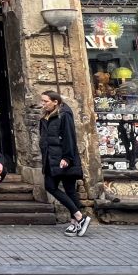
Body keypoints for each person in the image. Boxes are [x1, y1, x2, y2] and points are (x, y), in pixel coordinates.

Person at [39, 90, 91, 237]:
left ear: (55, 102)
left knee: (56, 187)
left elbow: (69, 136)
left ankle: (79, 218)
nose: (43, 104)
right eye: (42, 101)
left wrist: (67, 158)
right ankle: (76, 223)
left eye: (45, 101)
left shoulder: (64, 114)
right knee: (65, 189)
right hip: (50, 158)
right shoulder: (46, 115)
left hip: (62, 158)